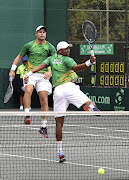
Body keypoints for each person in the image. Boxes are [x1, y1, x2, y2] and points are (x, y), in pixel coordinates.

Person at [24, 41, 99, 162]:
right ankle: (89, 107)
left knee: (59, 123)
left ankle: (60, 151)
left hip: (58, 92)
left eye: (68, 48)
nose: (68, 50)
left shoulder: (51, 58)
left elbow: (40, 67)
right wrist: (89, 62)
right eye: (65, 49)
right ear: (60, 50)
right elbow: (76, 68)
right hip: (69, 87)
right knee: (90, 103)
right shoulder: (67, 60)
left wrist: (29, 73)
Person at [9, 25, 56, 138]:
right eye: (40, 32)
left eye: (44, 32)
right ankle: (27, 115)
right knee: (28, 90)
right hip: (30, 73)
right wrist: (12, 70)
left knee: (44, 98)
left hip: (43, 75)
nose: (42, 34)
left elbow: (56, 61)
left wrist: (50, 72)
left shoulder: (50, 47)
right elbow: (19, 57)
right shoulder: (29, 45)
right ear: (36, 34)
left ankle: (43, 127)